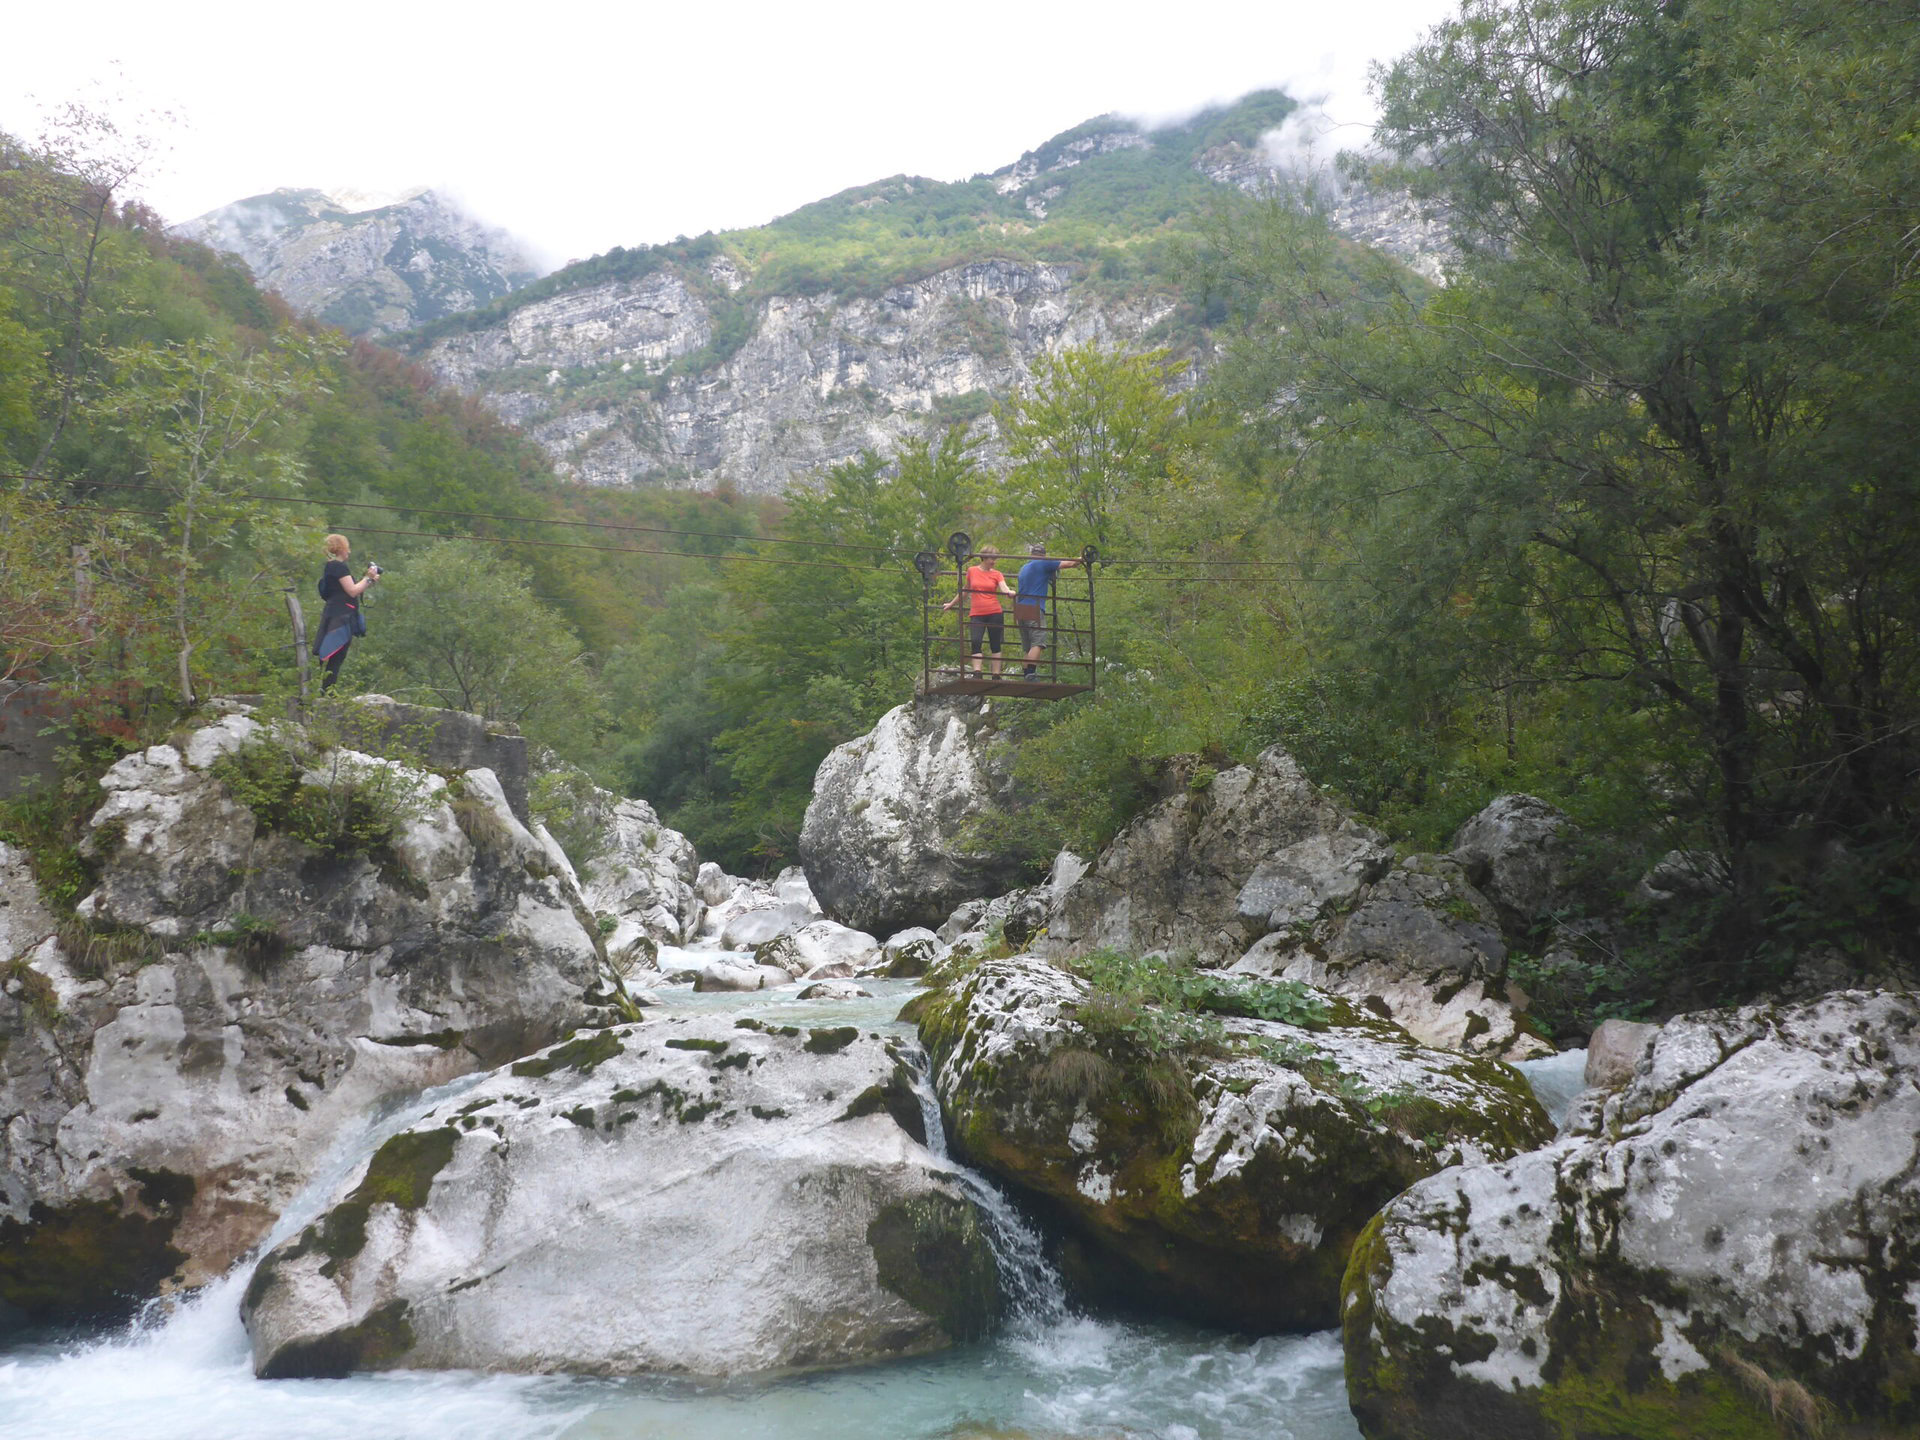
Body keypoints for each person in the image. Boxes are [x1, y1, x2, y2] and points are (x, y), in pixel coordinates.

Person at [314, 533, 379, 692]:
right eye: (347, 548)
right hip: (341, 615)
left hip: (335, 612)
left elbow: (348, 590)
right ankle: (328, 691)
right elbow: (352, 591)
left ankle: (326, 689)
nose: (349, 551)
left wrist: (369, 581)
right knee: (337, 653)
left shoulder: (331, 566)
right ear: (341, 548)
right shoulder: (339, 567)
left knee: (334, 653)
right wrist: (368, 578)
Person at [942, 544, 1014, 676]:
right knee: (975, 641)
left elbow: (1004, 588)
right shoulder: (972, 571)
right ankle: (977, 672)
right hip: (977, 613)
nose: (994, 562)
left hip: (994, 612)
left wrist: (1009, 592)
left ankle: (996, 675)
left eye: (995, 559)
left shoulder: (997, 574)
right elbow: (965, 590)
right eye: (992, 558)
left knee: (995, 644)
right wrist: (951, 604)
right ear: (984, 558)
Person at [1014, 541, 1082, 678]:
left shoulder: (1024, 568)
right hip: (1034, 606)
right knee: (1038, 643)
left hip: (1020, 608)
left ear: (1031, 554)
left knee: (1028, 647)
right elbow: (1070, 563)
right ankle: (1031, 674)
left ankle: (1026, 674)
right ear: (1044, 555)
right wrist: (1081, 558)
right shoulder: (1044, 563)